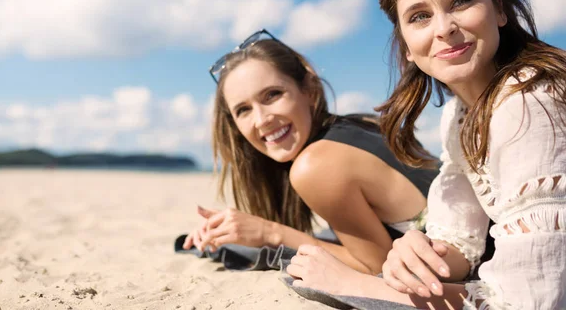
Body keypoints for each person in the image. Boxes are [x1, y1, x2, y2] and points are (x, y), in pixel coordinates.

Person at [285, 0, 566, 309]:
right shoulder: (460, 114)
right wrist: (418, 254)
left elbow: (529, 301)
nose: (444, 28)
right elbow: (459, 240)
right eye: (419, 16)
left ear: (500, 10)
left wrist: (357, 285)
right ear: (406, 46)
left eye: (462, 1)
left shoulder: (529, 99)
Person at [182, 29, 438, 274]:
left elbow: (375, 266)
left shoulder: (314, 165)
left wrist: (268, 232)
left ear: (310, 90)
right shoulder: (360, 124)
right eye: (243, 110)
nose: (261, 119)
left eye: (272, 95)